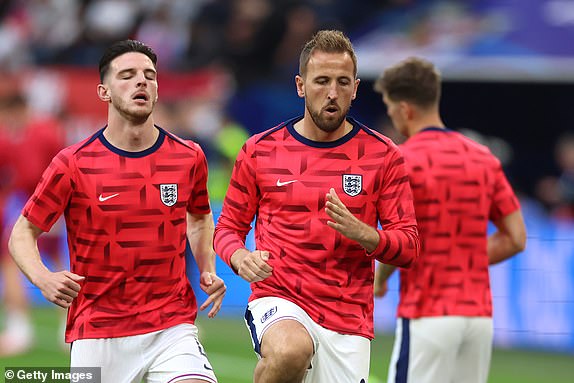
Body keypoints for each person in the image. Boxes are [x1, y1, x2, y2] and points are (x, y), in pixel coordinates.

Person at [8, 40, 226, 383]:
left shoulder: (189, 156)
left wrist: (207, 268)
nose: (142, 81)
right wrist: (43, 277)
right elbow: (22, 232)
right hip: (97, 331)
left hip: (171, 325)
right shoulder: (73, 163)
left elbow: (199, 217)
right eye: (127, 75)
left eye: (149, 75)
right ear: (103, 91)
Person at [213, 30, 420, 383]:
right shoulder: (261, 150)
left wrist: (367, 236)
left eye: (342, 83)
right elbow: (228, 228)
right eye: (321, 81)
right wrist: (238, 257)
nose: (332, 93)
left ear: (355, 89)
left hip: (347, 317)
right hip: (280, 298)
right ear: (300, 85)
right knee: (291, 350)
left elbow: (410, 246)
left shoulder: (383, 156)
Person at [373, 56, 527, 383]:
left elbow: (398, 239)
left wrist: (381, 278)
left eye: (388, 106)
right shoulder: (484, 158)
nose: (389, 114)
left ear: (404, 108)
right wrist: (464, 259)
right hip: (478, 319)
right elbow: (515, 237)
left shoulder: (403, 160)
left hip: (428, 313)